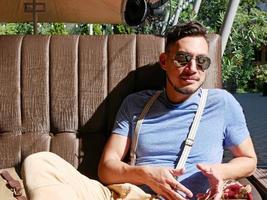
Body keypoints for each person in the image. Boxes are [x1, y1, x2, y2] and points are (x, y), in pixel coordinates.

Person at [22, 21, 257, 200]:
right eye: (183, 58)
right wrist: (145, 175)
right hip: (132, 194)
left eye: (202, 61)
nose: (193, 68)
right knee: (39, 162)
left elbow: (248, 160)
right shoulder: (135, 104)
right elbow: (106, 169)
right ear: (164, 61)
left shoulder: (222, 103)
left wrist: (221, 171)